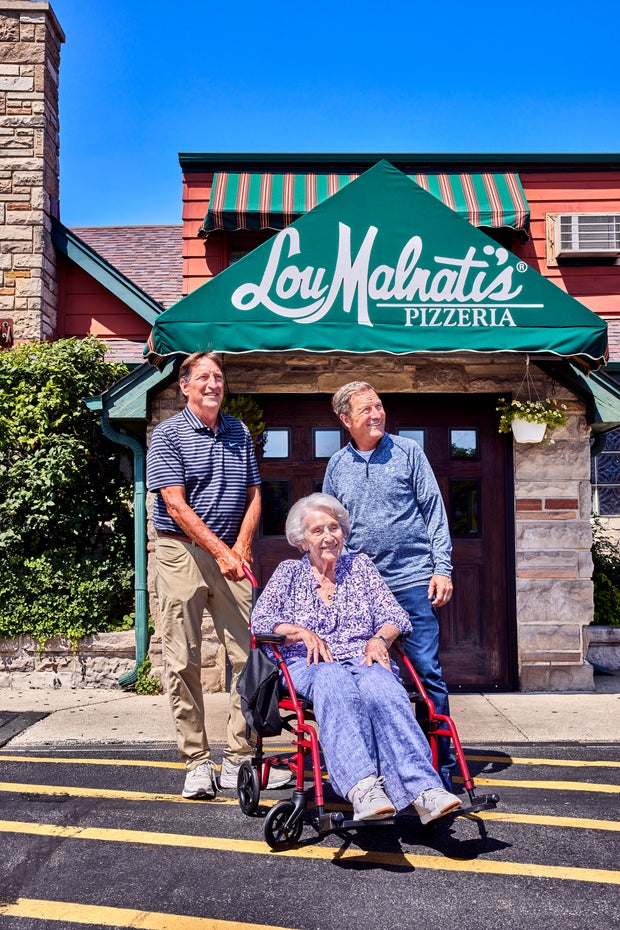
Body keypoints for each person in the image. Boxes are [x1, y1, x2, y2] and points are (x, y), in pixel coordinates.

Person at [251, 493, 461, 824]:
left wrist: (380, 639)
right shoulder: (289, 573)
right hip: (309, 664)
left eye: (333, 528)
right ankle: (363, 788)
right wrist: (301, 632)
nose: (328, 537)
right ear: (302, 540)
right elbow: (261, 621)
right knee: (334, 681)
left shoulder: (360, 567)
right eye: (317, 531)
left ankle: (424, 791)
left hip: (361, 657)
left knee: (383, 686)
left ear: (343, 533)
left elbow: (395, 615)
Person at [146, 351, 290, 798]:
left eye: (219, 377)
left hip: (232, 554)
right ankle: (195, 762)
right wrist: (221, 551)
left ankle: (239, 758)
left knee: (251, 655)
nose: (213, 383)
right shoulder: (168, 435)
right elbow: (175, 504)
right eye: (204, 377)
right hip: (181, 552)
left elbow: (254, 494)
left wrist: (241, 548)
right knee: (181, 659)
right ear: (185, 386)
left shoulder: (238, 430)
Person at [322, 381, 456, 790]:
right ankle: (378, 765)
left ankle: (442, 768)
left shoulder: (409, 453)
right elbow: (328, 528)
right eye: (367, 409)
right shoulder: (337, 466)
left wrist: (442, 568)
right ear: (346, 420)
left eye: (379, 406)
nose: (377, 414)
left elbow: (434, 512)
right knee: (369, 675)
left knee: (426, 674)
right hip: (361, 589)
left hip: (414, 580)